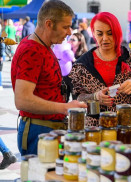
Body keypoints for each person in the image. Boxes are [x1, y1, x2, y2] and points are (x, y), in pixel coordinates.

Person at [11, 0, 87, 155]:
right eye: (65, 27)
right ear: (49, 24)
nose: (69, 32)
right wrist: (64, 107)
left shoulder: (41, 45)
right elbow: (22, 100)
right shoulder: (32, 50)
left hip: (46, 130)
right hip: (39, 131)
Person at [68, 12, 131, 127]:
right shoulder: (82, 64)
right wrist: (95, 97)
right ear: (94, 34)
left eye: (110, 33)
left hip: (125, 125)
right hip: (95, 127)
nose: (105, 39)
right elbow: (77, 98)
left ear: (117, 33)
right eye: (99, 34)